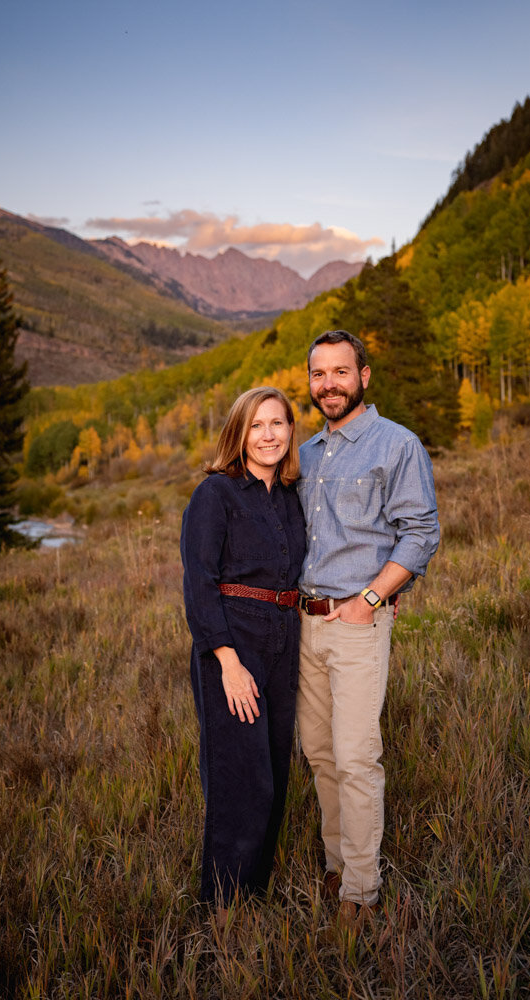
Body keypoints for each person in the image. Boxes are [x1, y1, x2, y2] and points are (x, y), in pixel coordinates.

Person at [296, 330, 439, 933]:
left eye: (340, 372)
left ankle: (361, 889)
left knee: (357, 757)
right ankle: (336, 861)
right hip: (302, 625)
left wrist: (376, 596)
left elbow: (421, 532)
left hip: (356, 625)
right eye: (318, 374)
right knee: (321, 754)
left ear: (364, 375)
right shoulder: (301, 454)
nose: (329, 383)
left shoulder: (395, 444)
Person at [180, 386, 306, 924]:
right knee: (241, 777)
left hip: (285, 634)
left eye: (277, 424)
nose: (269, 434)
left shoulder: (289, 497)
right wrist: (228, 662)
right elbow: (200, 582)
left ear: (289, 433)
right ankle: (222, 911)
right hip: (235, 642)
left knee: (275, 772)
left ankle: (252, 897)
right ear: (239, 433)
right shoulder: (216, 494)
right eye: (257, 425)